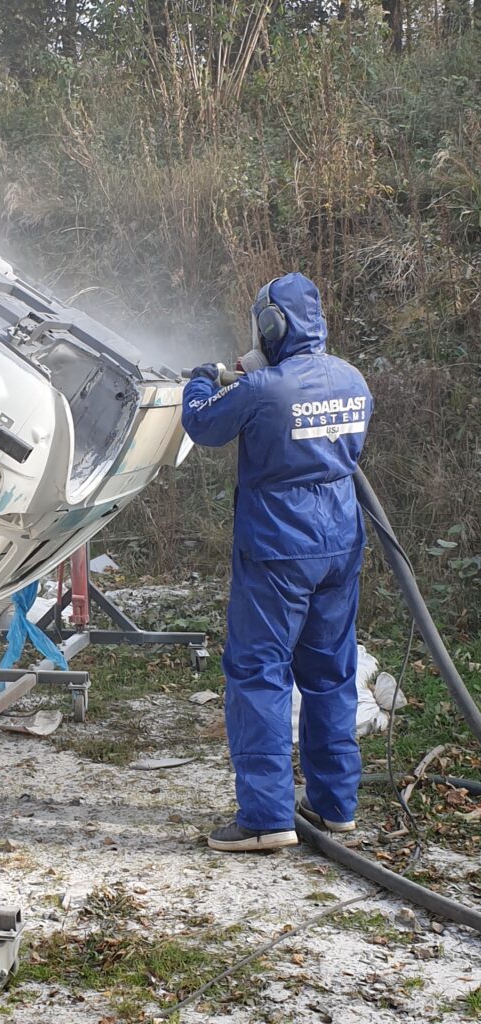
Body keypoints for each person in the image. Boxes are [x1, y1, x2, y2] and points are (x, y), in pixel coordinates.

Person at [182, 272, 372, 852]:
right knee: (329, 671)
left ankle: (266, 819)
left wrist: (202, 379)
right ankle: (335, 805)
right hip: (340, 538)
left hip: (277, 547)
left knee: (259, 672)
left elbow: (201, 422)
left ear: (271, 326)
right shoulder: (353, 379)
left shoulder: (264, 388)